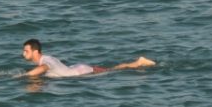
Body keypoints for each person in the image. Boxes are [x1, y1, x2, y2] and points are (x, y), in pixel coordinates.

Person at [21, 38, 154, 77]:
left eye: (26, 51)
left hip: (80, 71)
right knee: (111, 69)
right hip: (77, 68)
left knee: (113, 71)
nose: (23, 54)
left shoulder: (45, 62)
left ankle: (138, 62)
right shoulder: (46, 57)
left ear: (35, 51)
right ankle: (137, 63)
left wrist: (24, 76)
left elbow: (43, 68)